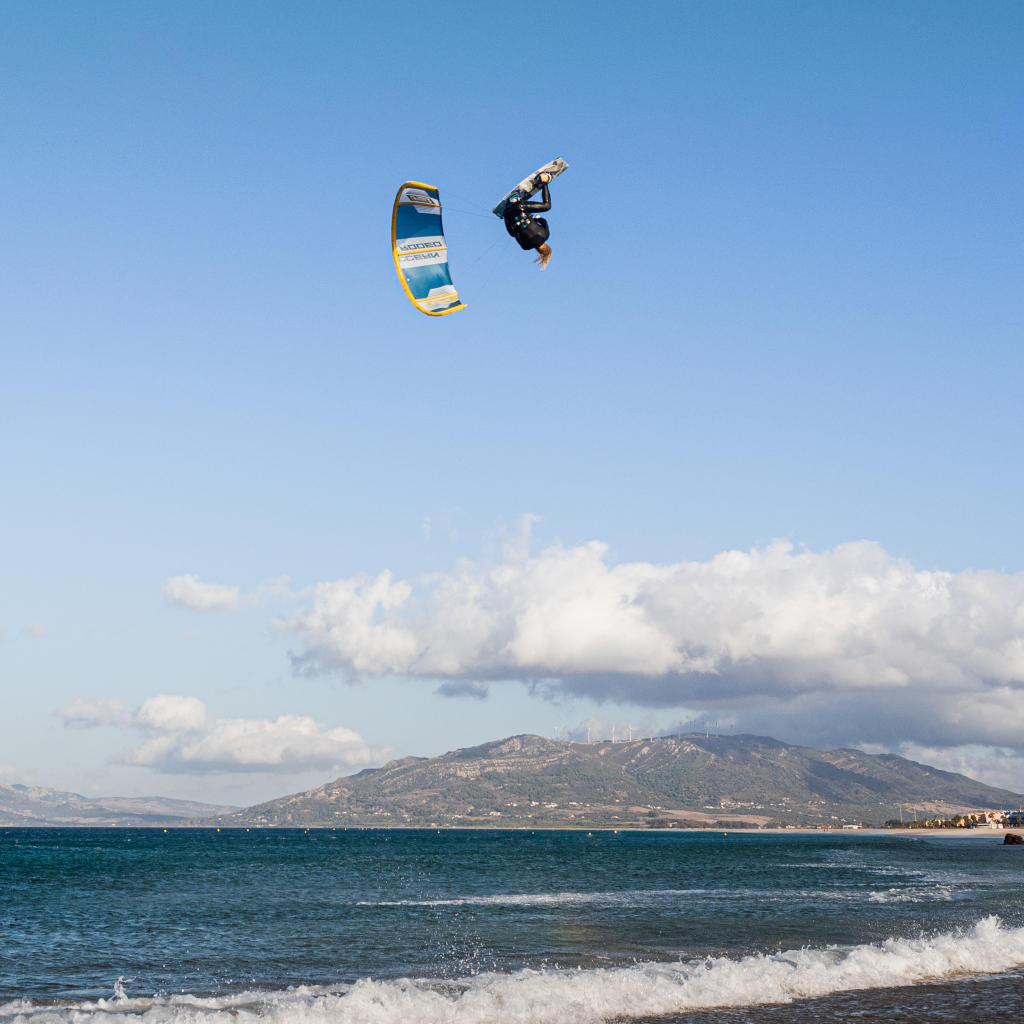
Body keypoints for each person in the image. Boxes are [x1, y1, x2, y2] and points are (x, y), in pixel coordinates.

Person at [503, 172, 553, 268]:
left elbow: (543, 221)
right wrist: (506, 215)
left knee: (547, 206)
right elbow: (513, 233)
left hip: (520, 207)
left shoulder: (545, 235)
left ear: (546, 245)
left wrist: (537, 219)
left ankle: (543, 180)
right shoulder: (525, 246)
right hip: (507, 214)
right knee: (513, 231)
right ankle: (510, 204)